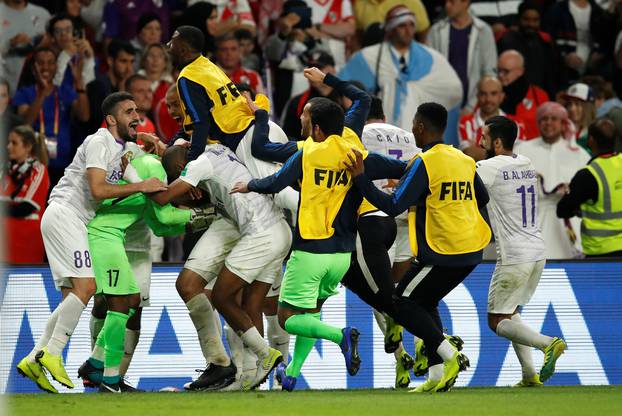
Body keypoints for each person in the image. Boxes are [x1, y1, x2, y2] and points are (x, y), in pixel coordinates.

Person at [230, 96, 407, 392]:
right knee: (311, 312)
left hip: (311, 251)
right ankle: (293, 373)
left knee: (287, 318)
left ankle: (342, 336)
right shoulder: (358, 155)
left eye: (307, 121)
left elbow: (275, 182)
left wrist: (249, 184)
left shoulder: (307, 153)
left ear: (318, 129)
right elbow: (404, 169)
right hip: (342, 256)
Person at [15, 92, 166, 394]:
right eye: (128, 112)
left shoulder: (122, 149)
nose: (135, 116)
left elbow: (137, 163)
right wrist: (143, 185)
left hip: (65, 217)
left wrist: (155, 144)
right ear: (111, 119)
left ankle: (34, 358)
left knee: (73, 295)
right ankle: (54, 353)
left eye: (137, 111)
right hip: (66, 214)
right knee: (87, 287)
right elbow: (97, 190)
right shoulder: (99, 141)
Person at [344, 102, 491, 393]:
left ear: (421, 127)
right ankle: (436, 374)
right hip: (473, 247)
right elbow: (482, 196)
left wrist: (361, 178)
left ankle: (448, 353)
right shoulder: (462, 159)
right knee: (425, 301)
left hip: (443, 250)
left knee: (401, 302)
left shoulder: (426, 162)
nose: (412, 129)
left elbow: (393, 204)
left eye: (414, 123)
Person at [150, 143, 291, 391]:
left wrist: (135, 180)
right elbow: (216, 190)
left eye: (177, 177)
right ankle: (248, 378)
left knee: (222, 297)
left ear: (181, 169)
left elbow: (163, 198)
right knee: (251, 305)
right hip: (280, 229)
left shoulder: (196, 166)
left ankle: (264, 354)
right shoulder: (219, 150)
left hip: (260, 234)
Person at [77, 153, 213, 393]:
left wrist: (196, 221)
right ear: (181, 168)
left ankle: (95, 363)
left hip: (111, 237)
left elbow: (159, 226)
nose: (189, 190)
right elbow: (164, 215)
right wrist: (208, 214)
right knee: (119, 306)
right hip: (103, 236)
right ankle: (109, 380)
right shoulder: (153, 168)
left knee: (130, 300)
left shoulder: (149, 166)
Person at [476, 115, 567, 387]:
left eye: (484, 137)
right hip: (538, 251)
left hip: (514, 255)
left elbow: (462, 184)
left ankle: (547, 343)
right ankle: (529, 374)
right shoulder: (525, 162)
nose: (480, 141)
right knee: (511, 310)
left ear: (498, 142)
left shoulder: (488, 167)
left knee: (496, 320)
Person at [166, 25, 297, 212]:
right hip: (265, 126)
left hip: (246, 136)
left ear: (183, 48)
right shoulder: (208, 64)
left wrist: (191, 164)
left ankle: (332, 216)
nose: (168, 43)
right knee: (283, 190)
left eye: (173, 39)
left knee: (278, 192)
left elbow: (200, 123)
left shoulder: (186, 77)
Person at [339, 5, 462, 145]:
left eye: (411, 25)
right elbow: (345, 84)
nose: (408, 30)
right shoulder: (370, 56)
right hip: (381, 128)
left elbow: (453, 88)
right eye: (402, 26)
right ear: (391, 29)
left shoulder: (431, 57)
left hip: (417, 129)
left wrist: (416, 89)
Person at [514, 102, 591, 259]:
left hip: (568, 222)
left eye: (554, 119)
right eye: (544, 119)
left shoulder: (578, 153)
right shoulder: (522, 149)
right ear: (538, 123)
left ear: (563, 123)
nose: (548, 123)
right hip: (533, 220)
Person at [13, 47, 90, 188]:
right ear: (33, 67)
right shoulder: (25, 92)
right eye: (41, 63)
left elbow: (84, 116)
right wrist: (41, 93)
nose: (46, 67)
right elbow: (25, 123)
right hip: (32, 164)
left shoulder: (64, 91)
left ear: (56, 67)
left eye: (50, 62)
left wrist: (79, 82)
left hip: (62, 166)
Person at [557, 118, 622, 257]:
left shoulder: (587, 175)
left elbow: (562, 210)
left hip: (601, 253)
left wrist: (578, 207)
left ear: (591, 140)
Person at [426, 0, 497, 111]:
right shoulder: (436, 31)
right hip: (442, 106)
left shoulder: (484, 31)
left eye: (452, 2)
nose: (447, 5)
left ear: (465, 2)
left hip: (475, 107)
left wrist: (471, 107)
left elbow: (489, 72)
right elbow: (429, 72)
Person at [2, 125, 49, 263]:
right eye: (8, 142)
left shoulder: (38, 170)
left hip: (26, 242)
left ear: (28, 147)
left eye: (14, 143)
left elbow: (26, 207)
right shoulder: (4, 169)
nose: (8, 146)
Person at [497, 1, 559, 97]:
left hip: (540, 97)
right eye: (526, 19)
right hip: (511, 97)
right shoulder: (506, 41)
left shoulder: (545, 43)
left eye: (535, 20)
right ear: (518, 19)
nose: (531, 24)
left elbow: (552, 74)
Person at [459, 76, 526, 161]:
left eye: (493, 93)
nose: (488, 99)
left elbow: (519, 156)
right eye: (483, 94)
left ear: (501, 96)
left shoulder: (517, 123)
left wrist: (479, 151)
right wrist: (505, 153)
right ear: (478, 96)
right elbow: (468, 154)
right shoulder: (465, 123)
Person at [280, 50, 339, 140]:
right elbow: (288, 136)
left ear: (333, 70)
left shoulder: (344, 97)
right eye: (310, 68)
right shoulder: (298, 102)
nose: (312, 72)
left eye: (318, 68)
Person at [0, 0, 50, 94]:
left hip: (35, 91)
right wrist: (10, 44)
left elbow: (53, 50)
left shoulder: (43, 14)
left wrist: (42, 44)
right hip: (4, 92)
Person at [497, 50, 549, 140]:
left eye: (505, 71)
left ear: (520, 71)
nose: (500, 75)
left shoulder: (539, 96)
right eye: (498, 71)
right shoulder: (492, 95)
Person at [86, 39, 136, 131]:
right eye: (124, 61)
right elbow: (101, 124)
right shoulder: (97, 87)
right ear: (110, 61)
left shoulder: (130, 86)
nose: (129, 68)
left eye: (132, 62)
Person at [354, 0, 430, 42]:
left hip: (404, 58)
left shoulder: (411, 1)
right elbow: (358, 34)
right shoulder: (360, 3)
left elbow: (423, 32)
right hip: (373, 59)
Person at [138, 43, 173, 114]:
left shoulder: (171, 87)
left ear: (165, 62)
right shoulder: (134, 83)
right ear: (144, 60)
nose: (155, 60)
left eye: (160, 56)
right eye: (151, 56)